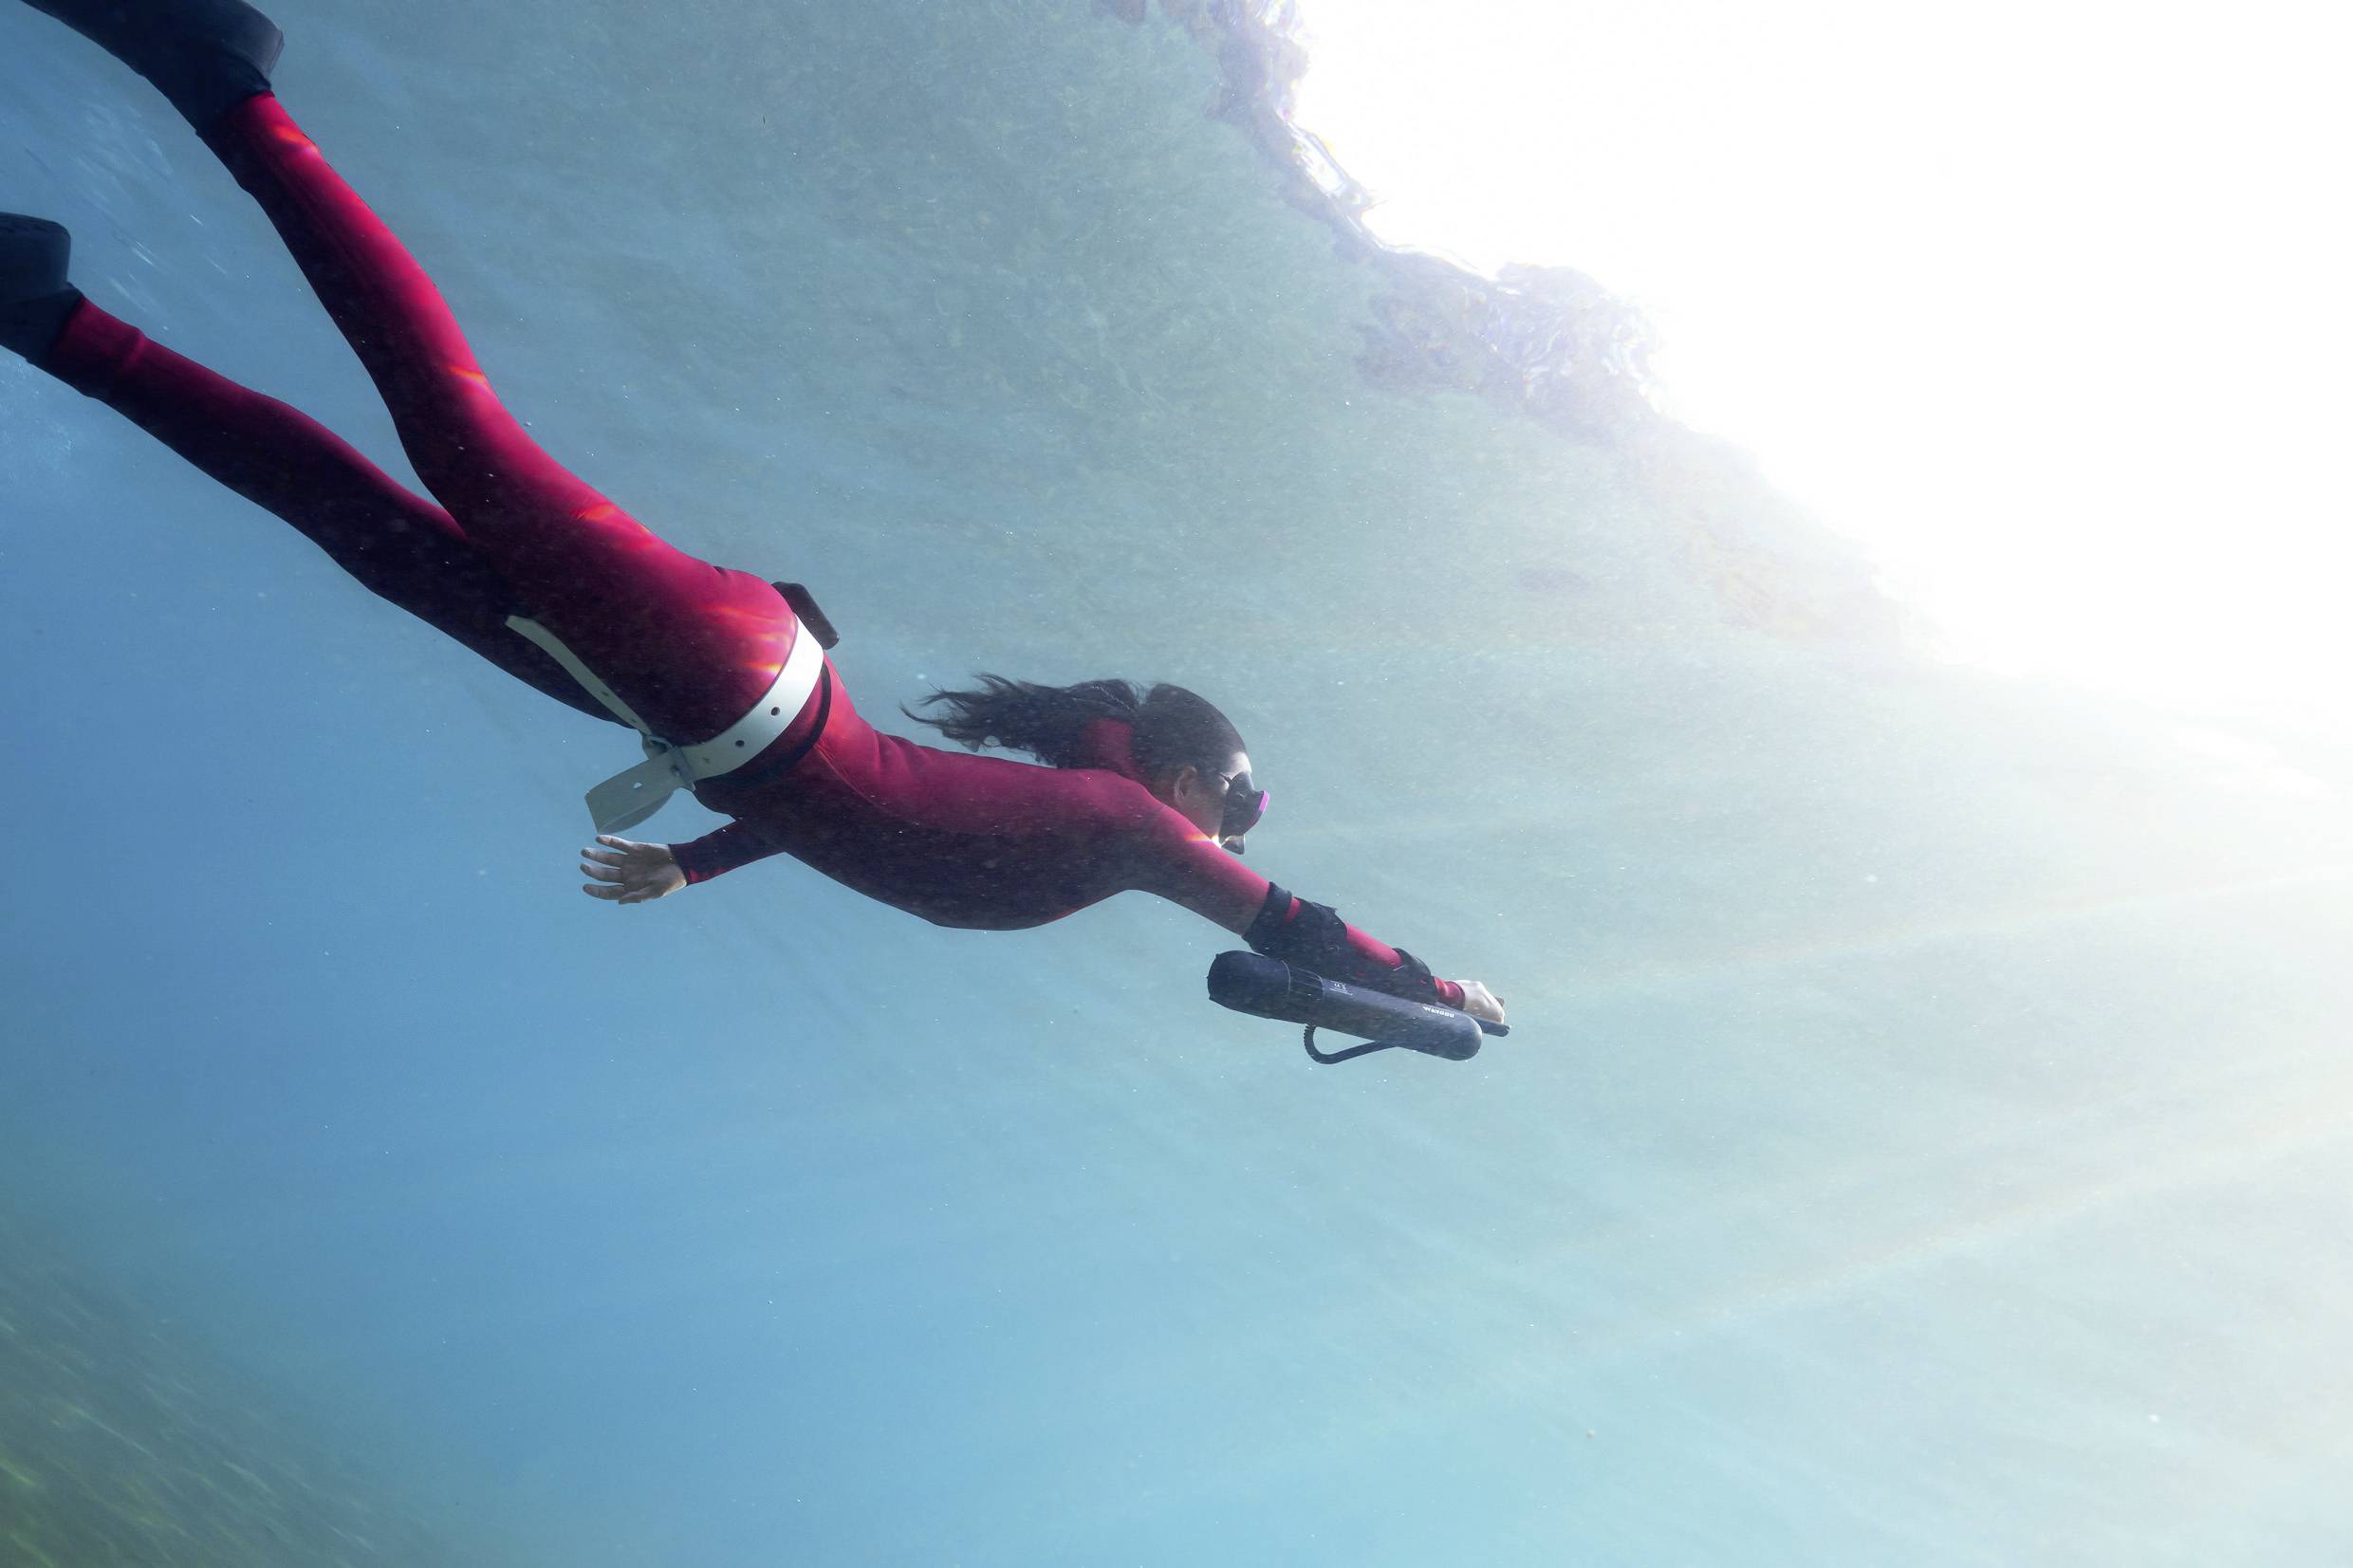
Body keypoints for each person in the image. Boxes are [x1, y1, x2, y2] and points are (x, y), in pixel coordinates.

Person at [1, 0, 1505, 1028]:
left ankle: (48, 310)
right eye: (1231, 803)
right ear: (1184, 772)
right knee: (449, 426)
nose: (1228, 833)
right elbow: (1292, 925)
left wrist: (694, 862)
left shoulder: (1064, 836)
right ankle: (225, 76)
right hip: (720, 678)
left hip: (680, 709)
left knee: (362, 528)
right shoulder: (1124, 827)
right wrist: (1436, 992)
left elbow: (872, 825)